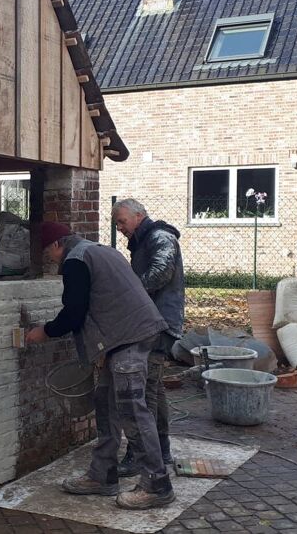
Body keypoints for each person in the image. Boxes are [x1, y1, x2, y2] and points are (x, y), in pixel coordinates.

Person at [25, 221, 175, 510]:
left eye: (48, 252)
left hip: (129, 337)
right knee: (105, 402)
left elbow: (74, 312)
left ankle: (157, 485)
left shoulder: (75, 260)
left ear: (58, 244)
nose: (50, 259)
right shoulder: (99, 251)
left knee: (132, 410)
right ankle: (103, 475)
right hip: (127, 336)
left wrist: (45, 331)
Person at [111, 198, 185, 477]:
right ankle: (161, 449)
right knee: (155, 387)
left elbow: (161, 273)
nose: (119, 228)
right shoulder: (145, 240)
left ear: (139, 215)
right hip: (155, 320)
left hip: (159, 323)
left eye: (122, 221)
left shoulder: (160, 236)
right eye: (117, 223)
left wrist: (128, 292)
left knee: (145, 392)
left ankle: (142, 455)